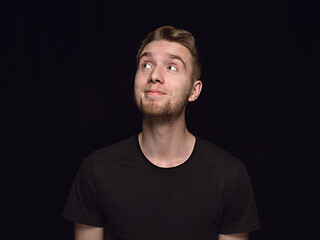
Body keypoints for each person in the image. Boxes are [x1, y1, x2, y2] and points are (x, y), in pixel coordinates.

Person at [63, 25, 261, 240]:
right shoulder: (96, 170)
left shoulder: (229, 175)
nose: (155, 75)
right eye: (146, 65)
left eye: (172, 67)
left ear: (194, 91)